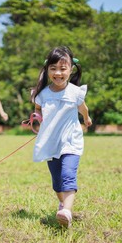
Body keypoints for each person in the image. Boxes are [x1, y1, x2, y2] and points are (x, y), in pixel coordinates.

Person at [31, 46, 92, 227]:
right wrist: (37, 119)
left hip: (71, 141)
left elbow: (83, 109)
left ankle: (67, 211)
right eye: (53, 68)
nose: (58, 73)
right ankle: (62, 203)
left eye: (63, 69)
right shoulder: (42, 94)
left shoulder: (75, 92)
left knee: (68, 175)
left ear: (71, 69)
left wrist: (87, 119)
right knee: (57, 182)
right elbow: (38, 110)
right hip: (51, 143)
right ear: (47, 69)